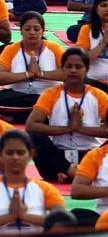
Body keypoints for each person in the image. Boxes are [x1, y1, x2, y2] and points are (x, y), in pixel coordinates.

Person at [25, 47, 108, 182]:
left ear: (86, 70)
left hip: (89, 155)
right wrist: (67, 128)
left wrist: (80, 129)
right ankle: (73, 172)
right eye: (69, 67)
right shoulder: (51, 94)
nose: (73, 70)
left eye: (78, 67)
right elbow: (30, 125)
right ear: (62, 69)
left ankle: (68, 174)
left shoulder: (99, 96)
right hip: (58, 155)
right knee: (33, 137)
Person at [0, 130, 66, 231]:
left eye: (20, 153)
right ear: (0, 154)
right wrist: (9, 217)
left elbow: (64, 222)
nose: (15, 157)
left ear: (31, 154)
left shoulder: (45, 189)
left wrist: (25, 216)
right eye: (9, 153)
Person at [0, 12, 65, 122]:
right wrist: (27, 74)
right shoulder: (11, 49)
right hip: (19, 95)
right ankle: (41, 118)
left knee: (61, 102)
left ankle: (17, 118)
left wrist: (41, 74)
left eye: (36, 29)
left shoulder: (54, 48)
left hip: (47, 95)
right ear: (20, 30)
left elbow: (69, 73)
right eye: (27, 29)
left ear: (43, 30)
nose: (32, 33)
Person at [74, 0, 108, 86]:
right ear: (96, 9)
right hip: (93, 82)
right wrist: (103, 43)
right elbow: (83, 61)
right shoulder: (86, 30)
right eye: (103, 5)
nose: (107, 9)